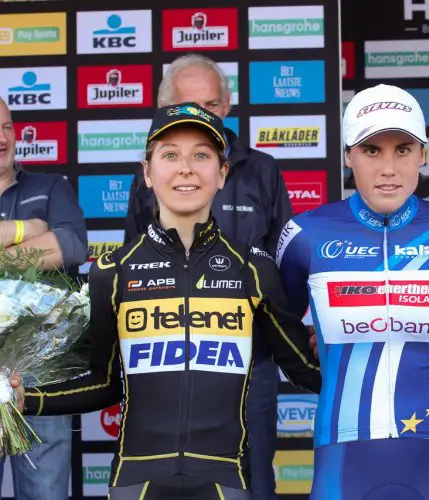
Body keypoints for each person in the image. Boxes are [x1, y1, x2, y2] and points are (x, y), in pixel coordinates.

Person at [14, 103, 320, 500]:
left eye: (201, 155)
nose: (186, 167)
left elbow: (304, 369)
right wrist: (27, 399)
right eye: (170, 154)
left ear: (222, 173)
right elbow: (105, 385)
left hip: (224, 480)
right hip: (136, 481)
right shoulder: (112, 271)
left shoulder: (253, 269)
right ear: (147, 172)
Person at [276, 84, 429, 500]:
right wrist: (319, 365)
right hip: (343, 451)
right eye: (371, 151)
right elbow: (277, 337)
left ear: (424, 154)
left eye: (403, 149)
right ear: (348, 155)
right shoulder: (305, 235)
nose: (388, 168)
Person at [124, 54, 291, 500]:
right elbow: (130, 267)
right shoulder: (151, 177)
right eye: (190, 104)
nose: (204, 115)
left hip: (250, 363)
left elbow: (285, 268)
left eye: (213, 105)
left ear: (229, 106)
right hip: (164, 367)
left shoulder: (263, 170)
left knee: (254, 480)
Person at [0, 96, 87, 500]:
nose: (2, 138)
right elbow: (48, 245)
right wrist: (27, 229)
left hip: (40, 366)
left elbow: (70, 247)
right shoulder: (35, 211)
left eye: (6, 127)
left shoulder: (52, 186)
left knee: (45, 493)